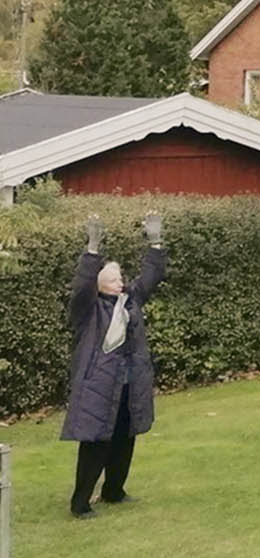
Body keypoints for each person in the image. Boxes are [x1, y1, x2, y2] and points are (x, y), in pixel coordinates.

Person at [63, 211, 167, 518]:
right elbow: (82, 285)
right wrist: (92, 250)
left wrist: (156, 243)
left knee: (125, 438)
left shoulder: (129, 300)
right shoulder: (87, 308)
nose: (120, 282)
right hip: (99, 385)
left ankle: (114, 491)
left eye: (120, 278)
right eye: (113, 279)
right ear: (100, 285)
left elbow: (151, 276)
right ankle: (80, 504)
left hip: (129, 382)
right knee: (95, 443)